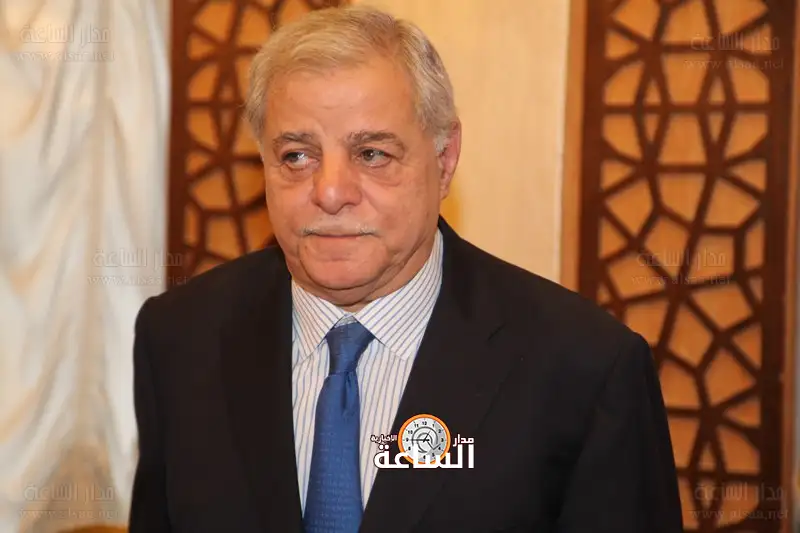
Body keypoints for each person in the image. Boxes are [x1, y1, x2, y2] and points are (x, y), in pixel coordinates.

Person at [128, 5, 683, 533]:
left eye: (372, 154)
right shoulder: (179, 339)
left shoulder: (584, 368)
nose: (330, 193)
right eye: (297, 155)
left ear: (444, 160)